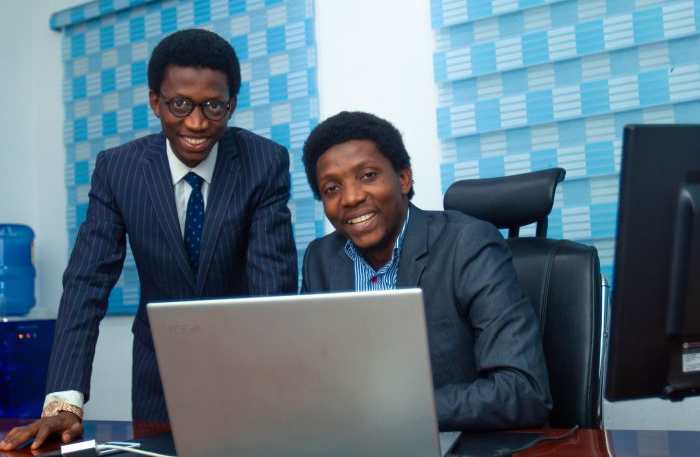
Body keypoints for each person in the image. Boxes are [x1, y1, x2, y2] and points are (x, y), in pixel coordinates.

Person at [0, 28, 297, 451]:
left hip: (247, 366)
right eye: (180, 104)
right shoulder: (118, 170)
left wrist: (270, 388)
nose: (197, 122)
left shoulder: (263, 162)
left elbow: (272, 284)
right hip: (159, 372)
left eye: (213, 106)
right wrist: (64, 402)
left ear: (231, 104)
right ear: (155, 102)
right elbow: (87, 282)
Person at [300, 111, 552, 430]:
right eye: (331, 188)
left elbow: (524, 391)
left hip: (461, 440)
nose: (350, 198)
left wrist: (396, 410)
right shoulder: (320, 259)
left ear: (403, 179)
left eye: (367, 175)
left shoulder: (467, 244)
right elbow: (312, 378)